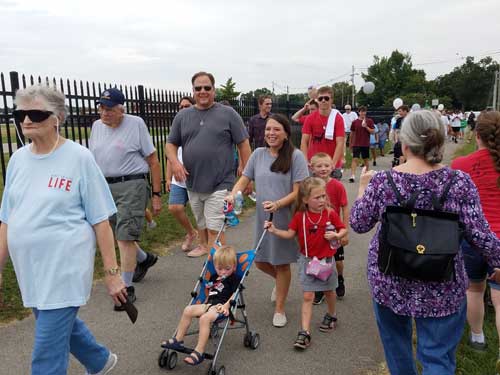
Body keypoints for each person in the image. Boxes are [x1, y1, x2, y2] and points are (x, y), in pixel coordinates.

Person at [350, 110, 500, 375]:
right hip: (441, 283)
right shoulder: (459, 183)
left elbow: (359, 223)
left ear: (404, 144)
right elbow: (480, 235)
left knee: (397, 353)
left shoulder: (384, 182)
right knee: (437, 359)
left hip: (390, 280)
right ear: (439, 142)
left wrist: (362, 191)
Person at [0, 84, 127, 374]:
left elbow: (101, 221)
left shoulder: (78, 158)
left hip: (65, 268)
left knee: (46, 352)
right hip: (31, 270)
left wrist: (111, 274)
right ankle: (99, 360)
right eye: (21, 113)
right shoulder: (18, 160)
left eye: (36, 113)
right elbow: (7, 218)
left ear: (57, 116)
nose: (26, 120)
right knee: (59, 329)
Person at [226, 114, 309, 327]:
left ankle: (280, 308)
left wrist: (278, 204)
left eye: (276, 130)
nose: (271, 133)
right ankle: (282, 284)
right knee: (260, 260)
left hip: (284, 217)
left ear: (285, 133)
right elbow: (244, 179)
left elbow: (298, 192)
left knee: (281, 263)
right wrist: (233, 193)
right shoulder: (258, 155)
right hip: (263, 217)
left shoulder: (296, 156)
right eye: (268, 129)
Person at [89, 88, 162, 310]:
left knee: (124, 235)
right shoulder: (96, 126)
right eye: (101, 107)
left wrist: (157, 195)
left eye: (109, 108)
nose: (104, 112)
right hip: (105, 186)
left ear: (122, 109)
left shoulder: (135, 123)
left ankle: (126, 288)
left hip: (132, 184)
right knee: (111, 230)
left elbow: (153, 160)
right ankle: (143, 259)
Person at [166, 72, 251, 257]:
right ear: (193, 91)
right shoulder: (183, 116)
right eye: (198, 88)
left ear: (214, 90)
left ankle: (217, 272)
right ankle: (215, 258)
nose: (202, 91)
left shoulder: (228, 114)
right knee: (203, 224)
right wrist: (175, 163)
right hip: (193, 182)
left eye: (207, 88)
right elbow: (170, 144)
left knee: (215, 228)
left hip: (221, 182)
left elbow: (243, 144)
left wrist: (247, 174)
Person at [264, 177, 347, 350]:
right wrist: (274, 230)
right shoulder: (300, 216)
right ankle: (305, 332)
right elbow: (289, 234)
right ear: (305, 200)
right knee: (308, 296)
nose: (322, 200)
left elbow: (343, 229)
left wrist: (337, 236)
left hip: (327, 261)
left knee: (329, 291)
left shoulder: (330, 213)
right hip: (308, 261)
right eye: (317, 198)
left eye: (324, 196)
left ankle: (332, 315)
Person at [451, 111, 500, 369]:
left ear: (476, 134)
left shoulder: (461, 165)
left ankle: (477, 336)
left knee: (474, 289)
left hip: (473, 238)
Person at [161, 246, 239, 366]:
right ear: (215, 266)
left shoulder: (233, 278)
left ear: (234, 267)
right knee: (187, 310)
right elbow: (209, 291)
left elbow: (235, 294)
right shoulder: (213, 277)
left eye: (227, 269)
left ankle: (199, 351)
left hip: (220, 306)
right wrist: (204, 301)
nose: (223, 272)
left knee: (204, 318)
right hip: (208, 304)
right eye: (219, 268)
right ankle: (179, 339)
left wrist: (227, 306)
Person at [310, 153, 349, 304]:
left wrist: (344, 231)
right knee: (317, 260)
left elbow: (345, 207)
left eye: (326, 165)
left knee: (337, 260)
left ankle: (339, 278)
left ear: (333, 167)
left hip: (334, 230)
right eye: (319, 166)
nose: (323, 169)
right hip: (316, 230)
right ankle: (320, 288)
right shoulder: (310, 186)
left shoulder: (338, 186)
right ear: (312, 168)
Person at [165, 96, 199, 253]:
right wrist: (167, 178)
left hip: (198, 178)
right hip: (178, 179)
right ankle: (191, 233)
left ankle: (208, 242)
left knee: (201, 213)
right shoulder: (176, 128)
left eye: (187, 106)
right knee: (174, 207)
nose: (183, 109)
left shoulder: (200, 126)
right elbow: (170, 156)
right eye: (181, 107)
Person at [300, 86, 345, 179]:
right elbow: (304, 141)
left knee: (332, 192)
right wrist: (305, 161)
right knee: (314, 192)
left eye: (326, 98)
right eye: (320, 98)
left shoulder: (337, 118)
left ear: (331, 100)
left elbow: (340, 142)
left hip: (331, 163)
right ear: (317, 100)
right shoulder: (310, 118)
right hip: (315, 164)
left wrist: (334, 163)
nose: (323, 100)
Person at [349, 106, 375, 183]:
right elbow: (352, 133)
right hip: (356, 143)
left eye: (364, 111)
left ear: (366, 112)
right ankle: (352, 175)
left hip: (365, 143)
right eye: (361, 111)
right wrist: (350, 143)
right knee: (355, 159)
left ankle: (366, 174)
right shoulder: (355, 122)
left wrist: (366, 126)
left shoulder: (369, 121)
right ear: (358, 112)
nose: (362, 113)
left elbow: (373, 131)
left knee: (366, 160)